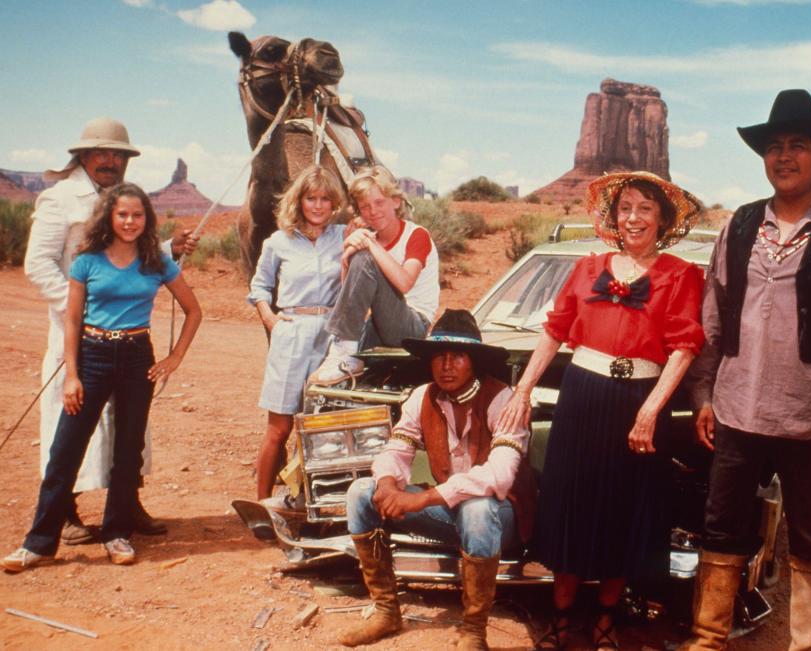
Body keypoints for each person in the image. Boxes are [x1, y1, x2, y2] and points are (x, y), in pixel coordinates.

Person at [682, 89, 811, 651]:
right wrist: (703, 392)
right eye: (773, 146)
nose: (783, 156)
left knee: (810, 536)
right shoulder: (740, 225)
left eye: (797, 145)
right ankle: (709, 640)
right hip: (735, 408)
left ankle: (807, 646)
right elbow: (712, 312)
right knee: (722, 529)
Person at [497, 171, 705, 650]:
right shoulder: (589, 267)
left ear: (663, 220)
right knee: (572, 502)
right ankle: (562, 616)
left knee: (622, 508)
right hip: (582, 397)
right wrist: (524, 390)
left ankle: (607, 618)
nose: (633, 218)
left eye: (645, 209)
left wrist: (651, 411)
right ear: (614, 217)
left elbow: (683, 349)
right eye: (626, 208)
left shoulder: (680, 274)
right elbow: (554, 330)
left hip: (638, 404)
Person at [3, 183, 202, 572]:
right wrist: (72, 375)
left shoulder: (156, 262)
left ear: (147, 220)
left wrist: (174, 358)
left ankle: (117, 534)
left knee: (128, 452)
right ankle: (39, 543)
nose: (129, 221)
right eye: (122, 214)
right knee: (64, 452)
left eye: (137, 215)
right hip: (92, 356)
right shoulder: (87, 260)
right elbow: (73, 318)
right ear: (110, 216)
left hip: (135, 357)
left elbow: (194, 310)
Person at [23, 117, 196, 542]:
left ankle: (126, 506)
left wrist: (169, 251)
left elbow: (128, 255)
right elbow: (37, 264)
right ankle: (64, 512)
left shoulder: (120, 200)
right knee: (70, 425)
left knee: (129, 428)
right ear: (82, 155)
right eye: (101, 152)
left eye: (118, 154)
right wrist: (79, 309)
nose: (109, 160)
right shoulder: (59, 199)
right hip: (77, 335)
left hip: (128, 340)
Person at [339, 309, 536, 650]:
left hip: (502, 519)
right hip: (450, 514)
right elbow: (396, 449)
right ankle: (387, 610)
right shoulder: (422, 396)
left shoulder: (504, 399)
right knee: (361, 492)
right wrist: (387, 484)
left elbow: (499, 475)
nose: (447, 365)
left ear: (473, 361)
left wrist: (422, 498)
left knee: (477, 508)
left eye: (457, 356)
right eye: (439, 356)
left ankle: (474, 631)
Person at [248, 165, 346, 501]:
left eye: (325, 199)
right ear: (299, 201)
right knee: (280, 427)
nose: (318, 206)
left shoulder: (344, 235)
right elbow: (259, 287)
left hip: (332, 334)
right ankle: (262, 505)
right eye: (311, 198)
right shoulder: (279, 242)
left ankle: (306, 503)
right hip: (292, 331)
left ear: (334, 204)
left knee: (319, 424)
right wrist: (271, 320)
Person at [308, 165, 439, 386]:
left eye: (379, 203)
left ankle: (343, 349)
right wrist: (348, 253)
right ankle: (343, 353)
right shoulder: (368, 240)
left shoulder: (417, 235)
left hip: (414, 326)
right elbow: (351, 296)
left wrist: (369, 244)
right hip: (378, 321)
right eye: (365, 207)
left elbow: (405, 283)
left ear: (395, 201)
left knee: (366, 257)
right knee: (320, 385)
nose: (373, 211)